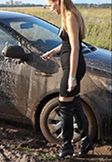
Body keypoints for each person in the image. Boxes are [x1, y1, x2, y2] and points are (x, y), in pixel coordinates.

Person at [41, 0, 93, 158]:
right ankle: (86, 142)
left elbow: (76, 47)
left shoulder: (70, 16)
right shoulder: (67, 16)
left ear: (58, 1)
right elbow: (67, 43)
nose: (50, 9)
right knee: (75, 104)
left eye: (50, 5)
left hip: (73, 68)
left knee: (64, 105)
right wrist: (52, 52)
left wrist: (71, 76)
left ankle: (67, 146)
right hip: (71, 66)